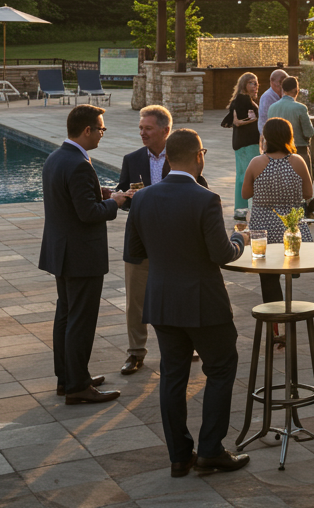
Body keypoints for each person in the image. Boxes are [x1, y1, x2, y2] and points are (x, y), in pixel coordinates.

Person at [125, 128, 252, 476]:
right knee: (222, 367)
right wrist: (239, 239)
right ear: (199, 157)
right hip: (203, 302)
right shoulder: (206, 199)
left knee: (173, 375)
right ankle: (210, 449)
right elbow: (222, 255)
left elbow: (134, 253)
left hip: (163, 301)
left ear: (166, 157)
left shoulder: (143, 199)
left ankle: (180, 456)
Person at [39, 105, 128, 404]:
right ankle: (78, 387)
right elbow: (88, 213)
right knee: (80, 319)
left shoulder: (56, 157)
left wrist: (97, 191)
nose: (103, 133)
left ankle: (68, 378)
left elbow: (70, 198)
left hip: (61, 253)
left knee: (65, 315)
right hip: (81, 256)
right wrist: (115, 201)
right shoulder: (78, 163)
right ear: (87, 130)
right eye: (101, 129)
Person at [116, 105, 192, 377]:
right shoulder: (132, 159)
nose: (142, 133)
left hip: (176, 241)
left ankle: (188, 344)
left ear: (165, 131)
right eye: (140, 128)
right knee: (136, 300)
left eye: (148, 128)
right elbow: (121, 196)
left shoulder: (181, 156)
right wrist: (126, 198)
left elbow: (197, 188)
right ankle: (135, 353)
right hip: (141, 241)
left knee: (180, 293)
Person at [243, 119, 314, 305]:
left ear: (266, 137)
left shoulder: (256, 162)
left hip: (263, 229)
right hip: (290, 227)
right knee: (289, 267)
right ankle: (288, 304)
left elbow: (245, 193)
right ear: (289, 137)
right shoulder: (297, 161)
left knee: (268, 278)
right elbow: (308, 193)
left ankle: (275, 324)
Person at [222, 74, 260, 218]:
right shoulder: (243, 100)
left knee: (241, 175)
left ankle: (241, 209)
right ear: (244, 84)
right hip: (247, 143)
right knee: (248, 176)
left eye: (256, 83)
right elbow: (237, 121)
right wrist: (257, 119)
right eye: (252, 83)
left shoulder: (240, 99)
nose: (255, 86)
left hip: (241, 142)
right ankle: (247, 209)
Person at [269, 77, 314, 175]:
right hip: (298, 149)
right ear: (296, 90)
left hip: (277, 151)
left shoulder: (272, 108)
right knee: (304, 181)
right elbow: (309, 132)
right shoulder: (301, 108)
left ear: (283, 90)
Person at [258, 68, 287, 132]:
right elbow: (264, 119)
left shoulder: (285, 95)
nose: (282, 85)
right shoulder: (267, 97)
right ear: (272, 82)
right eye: (280, 81)